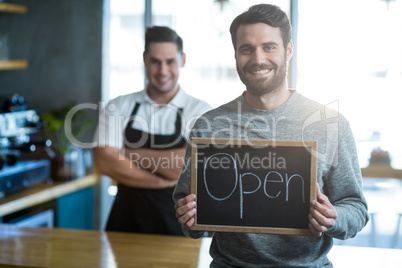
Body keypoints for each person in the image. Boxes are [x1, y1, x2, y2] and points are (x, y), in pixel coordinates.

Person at [173, 4, 368, 267]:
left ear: (288, 50)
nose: (257, 59)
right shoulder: (208, 126)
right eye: (246, 49)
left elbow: (355, 207)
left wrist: (334, 218)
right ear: (236, 56)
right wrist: (189, 219)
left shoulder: (331, 125)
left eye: (269, 47)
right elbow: (191, 217)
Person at [93, 26, 212, 235]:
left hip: (179, 229)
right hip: (125, 226)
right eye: (155, 61)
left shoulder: (200, 111)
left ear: (182, 60)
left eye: (170, 62)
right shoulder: (118, 106)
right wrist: (164, 179)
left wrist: (127, 153)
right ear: (144, 59)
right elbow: (104, 162)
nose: (162, 71)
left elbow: (185, 167)